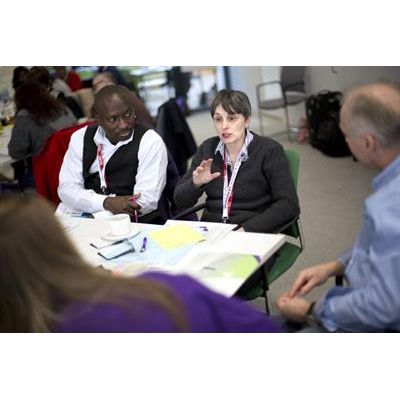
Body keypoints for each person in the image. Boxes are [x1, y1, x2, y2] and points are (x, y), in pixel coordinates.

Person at [0, 193, 281, 333]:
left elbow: (151, 198)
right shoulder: (162, 292)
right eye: (218, 118)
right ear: (61, 242)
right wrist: (196, 182)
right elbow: (263, 333)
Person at [277, 81, 400, 332]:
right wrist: (335, 266)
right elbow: (384, 245)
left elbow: (383, 307)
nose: (345, 140)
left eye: (345, 135)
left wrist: (312, 311)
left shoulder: (387, 207)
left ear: (367, 143)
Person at [174, 89, 300, 233]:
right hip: (212, 231)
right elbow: (180, 201)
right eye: (218, 119)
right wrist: (196, 183)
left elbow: (288, 205)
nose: (224, 126)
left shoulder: (269, 150)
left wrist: (245, 230)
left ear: (246, 120)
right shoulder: (207, 149)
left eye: (231, 118)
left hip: (251, 230)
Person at [57, 85, 168, 222]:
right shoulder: (80, 138)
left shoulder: (150, 141)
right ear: (98, 119)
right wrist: (106, 203)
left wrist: (98, 217)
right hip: (85, 218)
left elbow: (145, 200)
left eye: (127, 115)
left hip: (133, 223)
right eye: (113, 119)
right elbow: (67, 189)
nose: (123, 125)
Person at [8, 80, 77, 160]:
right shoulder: (63, 108)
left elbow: (15, 152)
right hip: (75, 159)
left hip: (49, 164)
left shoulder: (25, 117)